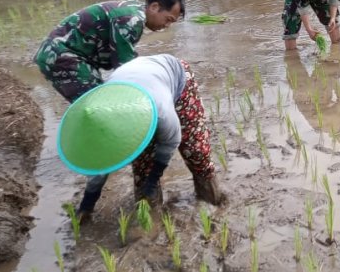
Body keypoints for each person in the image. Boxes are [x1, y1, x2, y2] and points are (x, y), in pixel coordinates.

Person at [57, 54, 225, 220]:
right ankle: (150, 219)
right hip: (134, 80)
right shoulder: (101, 119)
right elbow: (100, 164)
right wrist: (87, 204)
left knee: (195, 151)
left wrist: (155, 176)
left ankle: (212, 201)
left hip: (176, 77)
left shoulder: (160, 110)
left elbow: (171, 141)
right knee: (143, 166)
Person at [34, 0, 185, 102]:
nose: (167, 25)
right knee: (96, 105)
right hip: (63, 55)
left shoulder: (134, 10)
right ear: (154, 7)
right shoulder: (130, 20)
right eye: (168, 19)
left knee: (99, 102)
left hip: (67, 55)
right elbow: (126, 68)